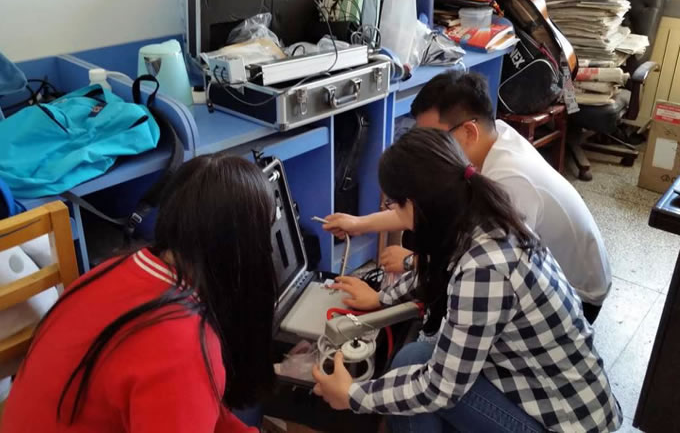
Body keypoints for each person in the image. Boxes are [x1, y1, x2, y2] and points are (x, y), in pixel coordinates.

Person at [313, 128, 622, 432]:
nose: (391, 211)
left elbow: (441, 388)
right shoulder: (487, 217)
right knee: (414, 357)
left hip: (565, 425)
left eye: (392, 204)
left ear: (416, 204)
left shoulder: (484, 270)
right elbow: (444, 266)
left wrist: (352, 396)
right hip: (569, 398)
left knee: (413, 376)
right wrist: (382, 298)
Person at [2, 153, 278, 433]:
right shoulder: (185, 343)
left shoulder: (123, 268)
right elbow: (184, 387)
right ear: (245, 252)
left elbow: (193, 404)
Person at [324, 71, 611, 323]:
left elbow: (479, 262)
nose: (428, 148)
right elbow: (419, 209)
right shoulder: (494, 137)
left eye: (435, 138)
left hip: (577, 299)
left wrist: (411, 264)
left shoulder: (510, 183)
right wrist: (358, 224)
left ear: (468, 132)